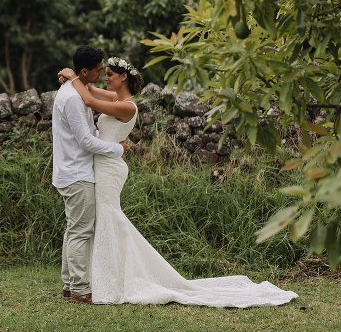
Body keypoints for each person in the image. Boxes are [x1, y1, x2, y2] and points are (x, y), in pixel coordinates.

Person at [57, 57, 298, 307]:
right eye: (103, 73)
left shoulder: (128, 106)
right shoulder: (115, 98)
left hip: (109, 168)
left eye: (109, 74)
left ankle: (109, 279)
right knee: (103, 221)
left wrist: (73, 77)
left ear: (123, 77)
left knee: (108, 218)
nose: (105, 78)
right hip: (103, 164)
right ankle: (90, 280)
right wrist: (72, 77)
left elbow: (88, 99)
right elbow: (89, 90)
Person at [52, 45, 128, 305]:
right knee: (81, 232)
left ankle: (69, 284)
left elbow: (88, 133)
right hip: (76, 174)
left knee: (74, 229)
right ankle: (80, 290)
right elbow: (86, 141)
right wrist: (117, 149)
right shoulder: (73, 97)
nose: (100, 75)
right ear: (84, 71)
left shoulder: (76, 89)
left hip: (75, 170)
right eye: (98, 71)